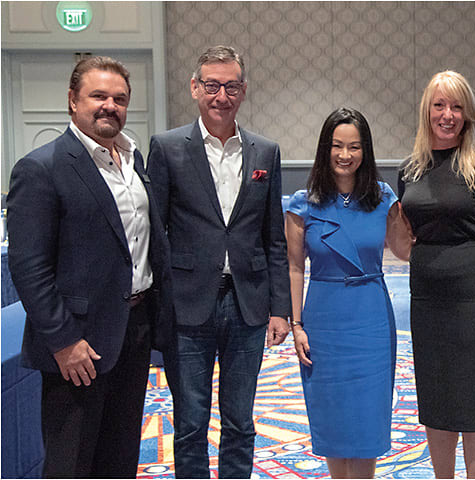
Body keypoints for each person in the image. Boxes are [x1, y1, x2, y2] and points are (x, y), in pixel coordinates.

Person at [6, 55, 173, 478]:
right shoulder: (40, 168)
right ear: (72, 100)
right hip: (76, 343)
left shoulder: (134, 162)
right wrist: (64, 341)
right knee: (72, 462)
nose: (109, 106)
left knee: (119, 456)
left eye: (119, 98)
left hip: (131, 331)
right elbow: (29, 268)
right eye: (98, 95)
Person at [147, 45, 291, 478]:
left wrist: (280, 308)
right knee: (190, 421)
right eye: (211, 85)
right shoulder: (168, 147)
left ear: (243, 91)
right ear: (195, 88)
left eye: (231, 86)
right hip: (188, 305)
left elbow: (274, 236)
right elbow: (156, 233)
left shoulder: (265, 152)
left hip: (246, 304)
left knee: (240, 421)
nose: (221, 96)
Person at [399, 70, 475, 479]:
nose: (447, 114)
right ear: (426, 110)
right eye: (439, 105)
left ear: (467, 114)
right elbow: (404, 239)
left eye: (456, 106)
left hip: (473, 292)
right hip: (426, 293)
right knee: (435, 394)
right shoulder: (410, 169)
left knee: (474, 393)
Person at [285, 107, 412, 478]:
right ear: (325, 149)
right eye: (337, 146)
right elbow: (294, 267)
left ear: (365, 151)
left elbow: (405, 250)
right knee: (333, 418)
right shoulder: (302, 204)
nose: (345, 155)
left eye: (354, 147)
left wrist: (413, 208)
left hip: (370, 316)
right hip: (323, 319)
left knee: (367, 421)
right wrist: (297, 325)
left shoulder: (383, 198)